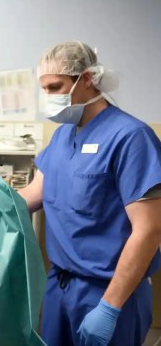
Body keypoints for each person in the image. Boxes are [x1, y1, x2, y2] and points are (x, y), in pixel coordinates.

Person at [18, 41, 161, 346]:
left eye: (55, 87)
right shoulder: (62, 136)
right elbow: (32, 194)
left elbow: (149, 231)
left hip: (110, 292)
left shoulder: (131, 137)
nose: (49, 98)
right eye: (44, 89)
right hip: (60, 286)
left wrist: (109, 307)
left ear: (86, 79)